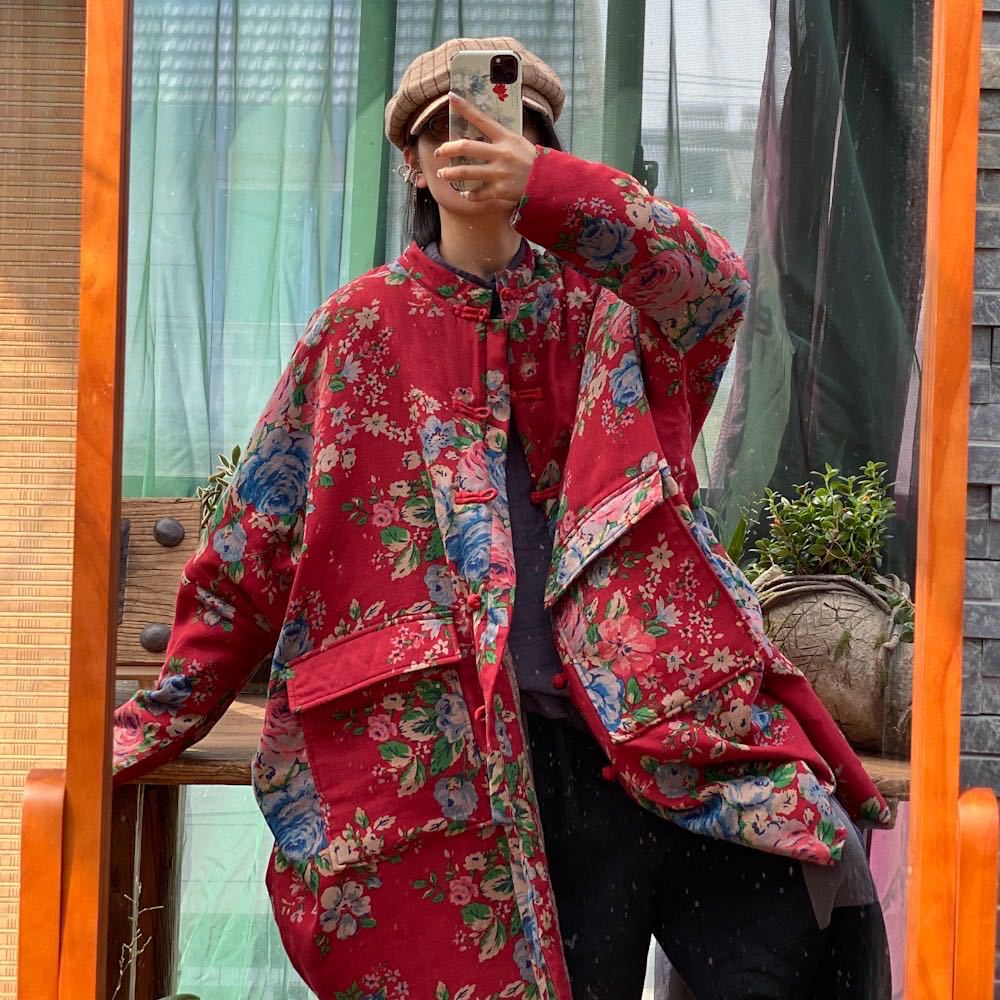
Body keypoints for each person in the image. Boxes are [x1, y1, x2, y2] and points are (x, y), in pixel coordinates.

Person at [112, 36, 892, 1000]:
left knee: (803, 902)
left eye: (506, 123)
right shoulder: (354, 333)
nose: (473, 141)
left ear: (539, 146)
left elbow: (713, 290)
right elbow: (252, 548)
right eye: (444, 127)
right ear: (411, 161)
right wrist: (152, 719)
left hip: (647, 735)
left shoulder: (609, 313)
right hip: (458, 760)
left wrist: (555, 191)